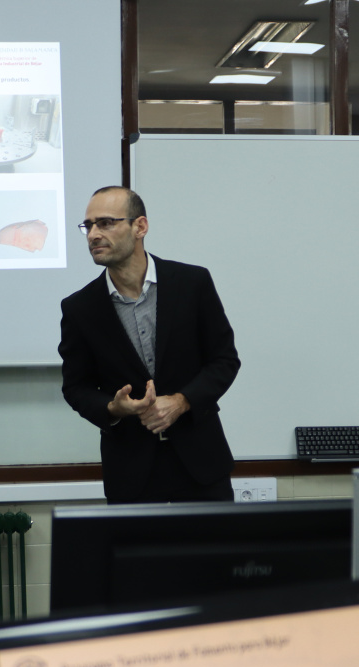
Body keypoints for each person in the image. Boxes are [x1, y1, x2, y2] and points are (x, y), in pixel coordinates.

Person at [58, 186, 240, 503]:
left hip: (201, 465)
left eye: (105, 223)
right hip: (131, 474)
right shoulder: (80, 308)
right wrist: (113, 408)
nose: (93, 235)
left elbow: (224, 361)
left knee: (213, 554)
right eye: (88, 226)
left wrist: (182, 401)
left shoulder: (192, 284)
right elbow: (76, 387)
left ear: (140, 226)